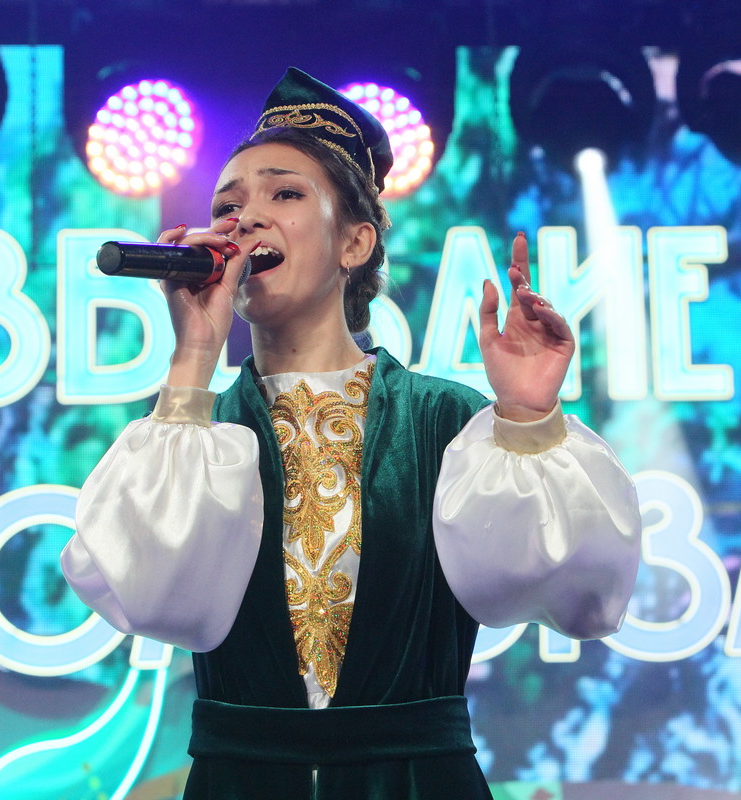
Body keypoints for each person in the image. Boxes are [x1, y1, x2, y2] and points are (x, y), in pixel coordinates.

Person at [61, 67, 642, 799]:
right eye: (227, 205)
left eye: (284, 194)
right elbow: (151, 600)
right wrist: (193, 359)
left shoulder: (447, 423)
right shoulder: (193, 435)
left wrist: (528, 417)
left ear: (355, 242)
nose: (245, 220)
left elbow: (581, 600)